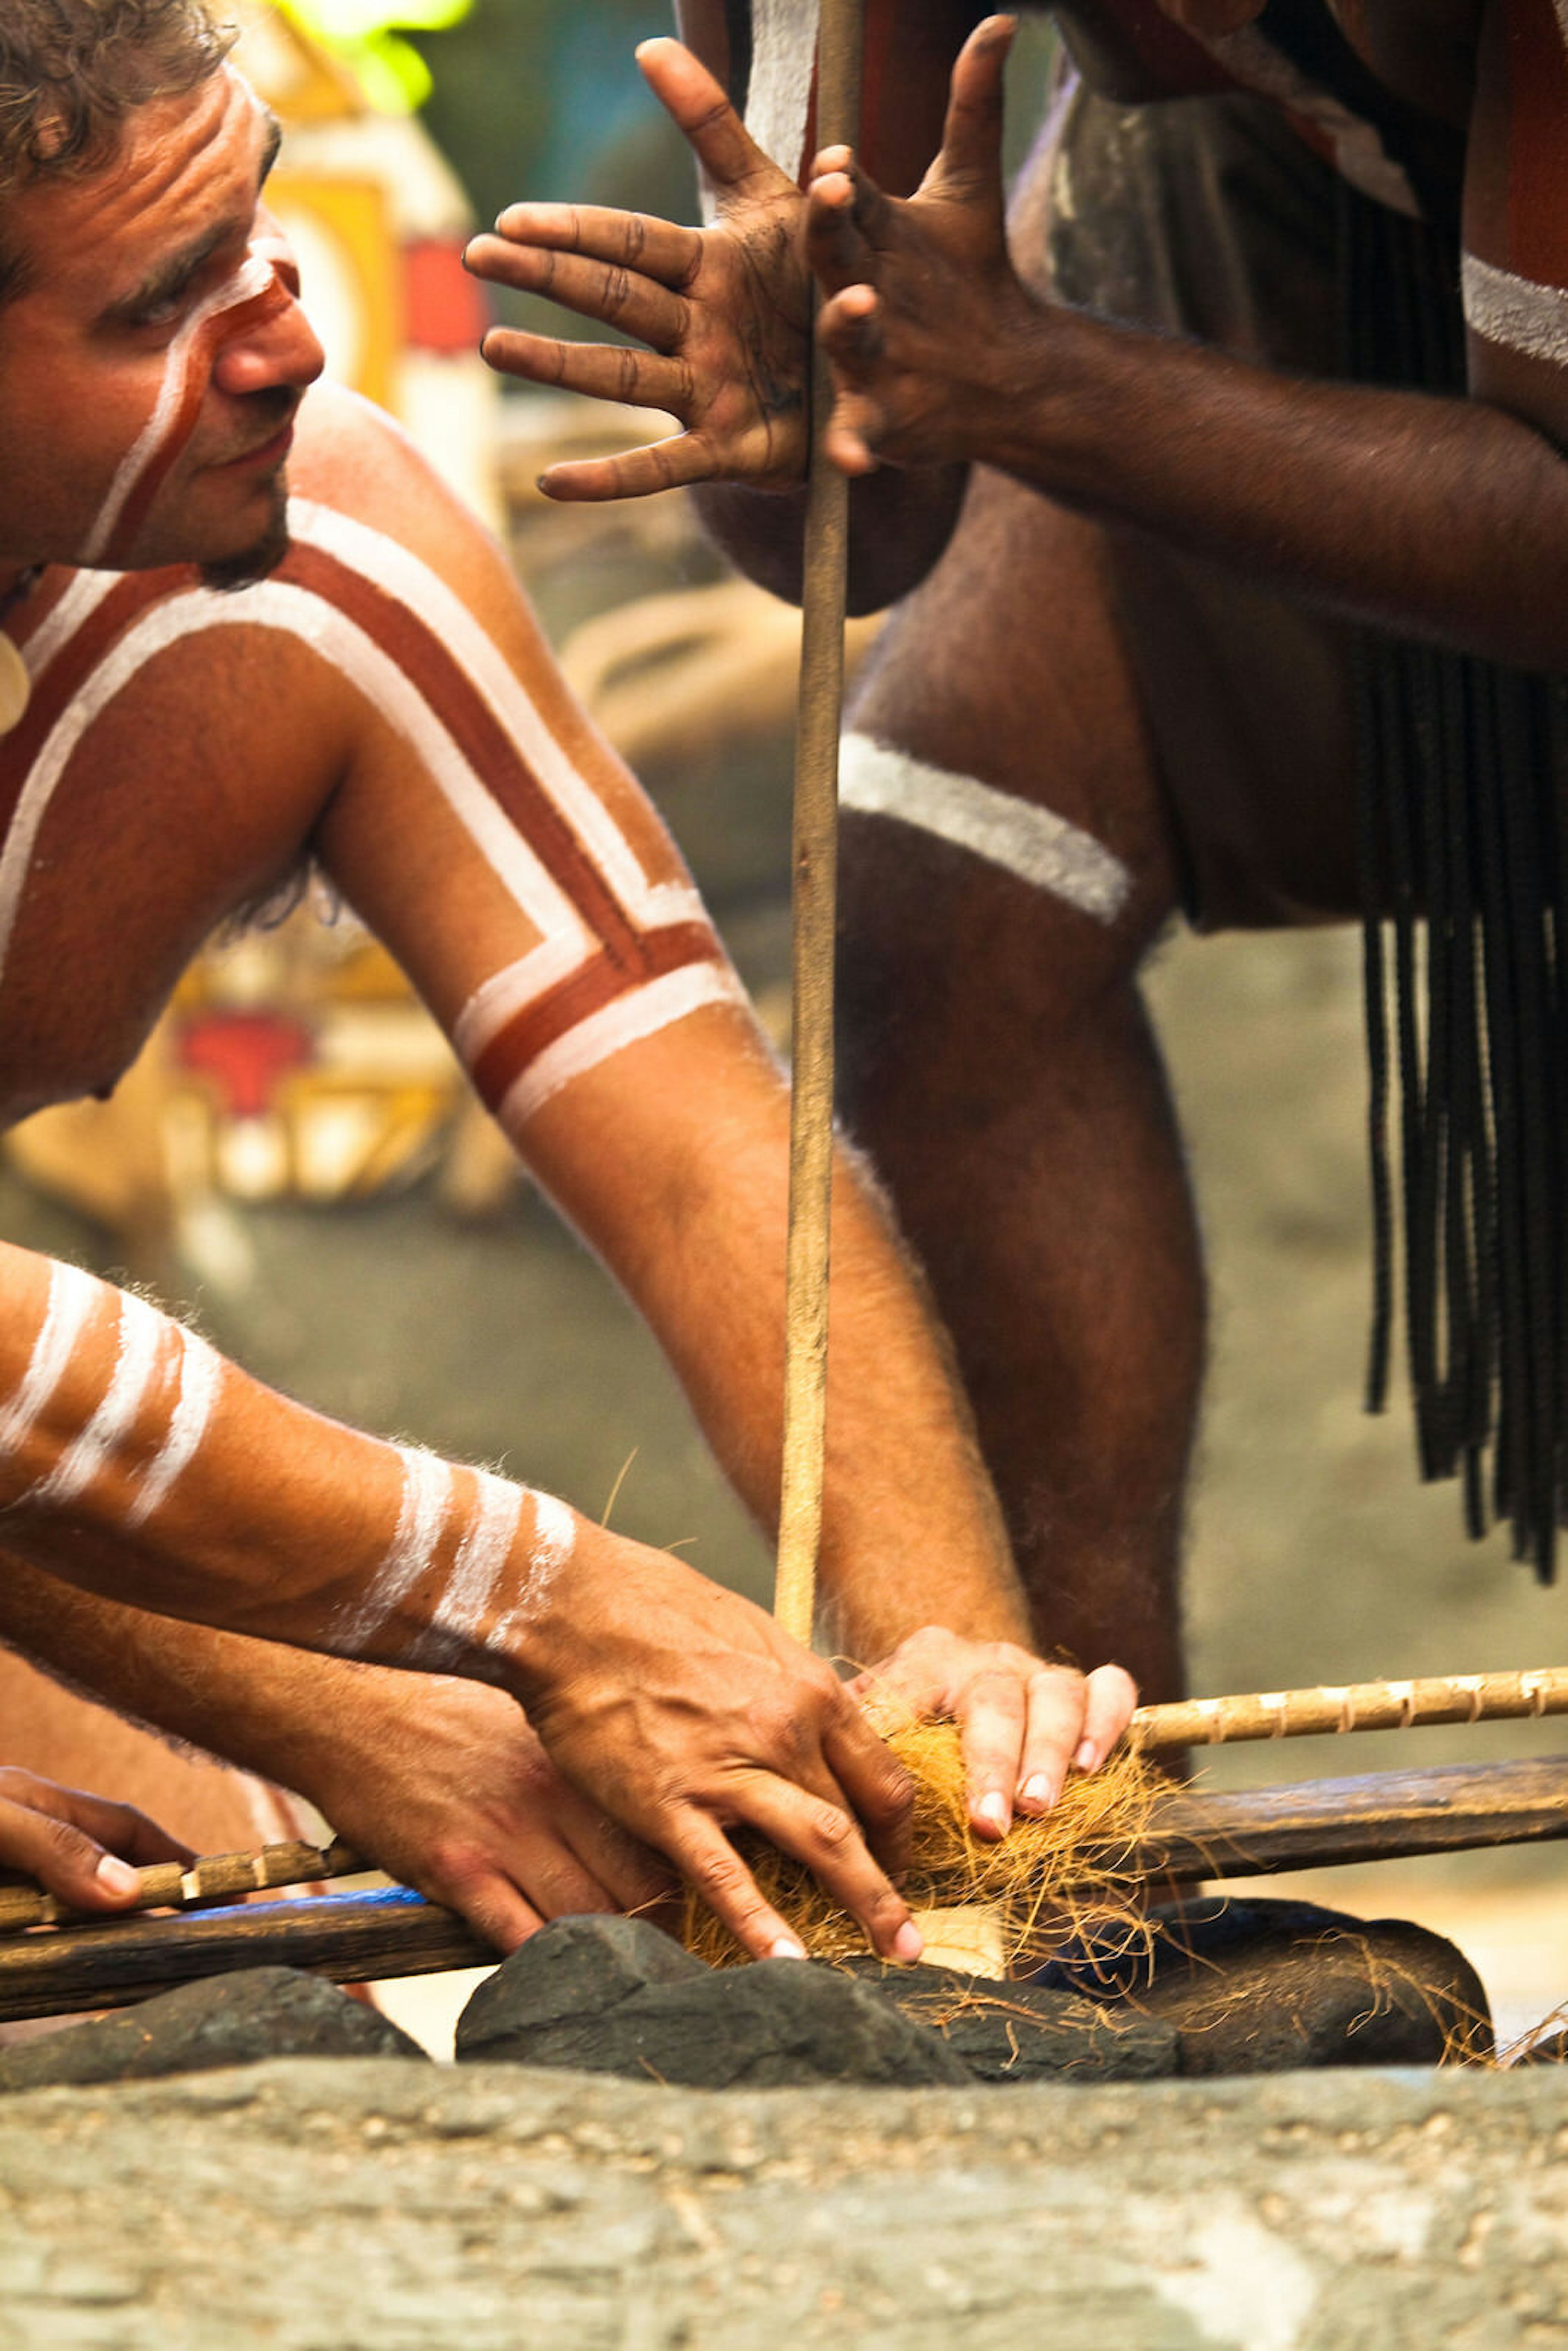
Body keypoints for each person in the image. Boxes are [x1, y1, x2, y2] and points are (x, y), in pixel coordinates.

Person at [0, 0, 1139, 1965]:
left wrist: (953, 1670)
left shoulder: (312, 556)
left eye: (258, 234)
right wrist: (499, 1632)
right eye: (161, 304)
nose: (286, 335)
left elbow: (701, 1139)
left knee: (314, 1903)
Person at [469, 0, 1568, 1701]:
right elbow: (868, 513)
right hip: (1249, 190)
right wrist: (806, 387)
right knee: (948, 889)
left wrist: (1043, 379)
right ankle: (1083, 1874)